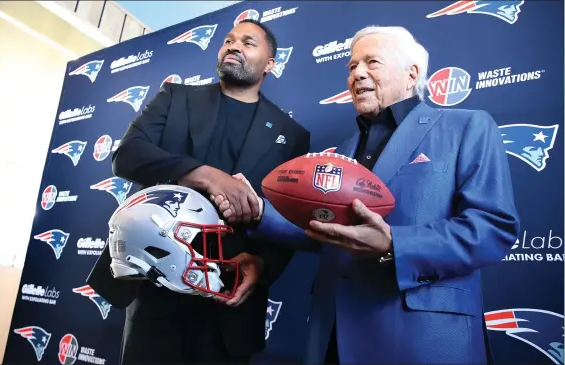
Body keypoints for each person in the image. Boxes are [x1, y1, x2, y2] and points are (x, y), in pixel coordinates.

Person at [214, 25, 520, 364]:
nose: (357, 73)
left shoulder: (467, 127)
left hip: (421, 337)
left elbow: (492, 227)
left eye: (372, 62)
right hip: (333, 335)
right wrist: (258, 210)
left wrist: (393, 245)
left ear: (412, 73)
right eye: (351, 66)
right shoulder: (340, 153)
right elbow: (324, 231)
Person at [86, 19, 310, 364]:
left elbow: (288, 219)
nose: (234, 46)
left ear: (270, 64)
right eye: (228, 40)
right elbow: (127, 155)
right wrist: (204, 175)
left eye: (248, 43)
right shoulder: (175, 97)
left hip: (228, 300)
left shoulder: (292, 134)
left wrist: (262, 264)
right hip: (155, 288)